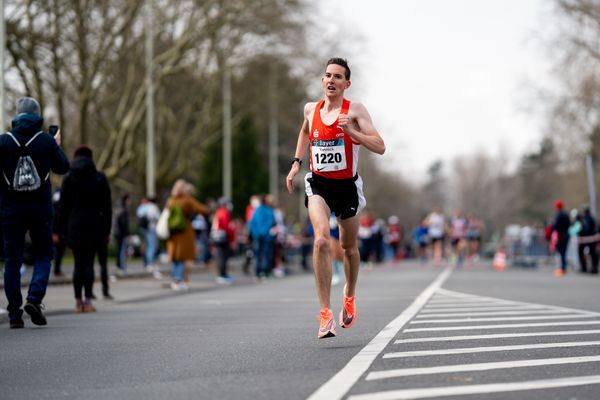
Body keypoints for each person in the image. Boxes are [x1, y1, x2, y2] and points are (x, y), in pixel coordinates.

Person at [286, 58, 385, 339]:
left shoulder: (354, 110)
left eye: (338, 77)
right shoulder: (311, 109)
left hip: (347, 187)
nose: (331, 81)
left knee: (348, 248)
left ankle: (349, 295)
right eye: (327, 76)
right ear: (322, 80)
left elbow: (380, 146)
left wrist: (351, 132)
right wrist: (296, 162)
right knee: (320, 239)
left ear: (346, 84)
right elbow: (306, 130)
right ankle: (325, 313)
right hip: (319, 184)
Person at [1, 97, 69, 328]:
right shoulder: (45, 141)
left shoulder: (3, 142)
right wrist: (55, 144)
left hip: (11, 211)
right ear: (37, 115)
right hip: (40, 210)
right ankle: (34, 297)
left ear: (17, 116)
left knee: (12, 261)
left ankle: (14, 315)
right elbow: (63, 167)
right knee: (43, 254)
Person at [58, 145, 112, 312]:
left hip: (74, 225)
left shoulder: (68, 178)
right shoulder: (99, 177)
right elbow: (107, 206)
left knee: (77, 264)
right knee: (89, 264)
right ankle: (88, 301)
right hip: (95, 225)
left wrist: (60, 229)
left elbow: (62, 207)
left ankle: (77, 302)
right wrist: (107, 230)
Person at [166, 179, 209, 290]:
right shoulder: (186, 200)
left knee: (174, 256)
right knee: (182, 256)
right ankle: (178, 280)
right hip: (183, 232)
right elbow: (202, 209)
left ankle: (174, 279)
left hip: (172, 233)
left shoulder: (171, 200)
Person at [249, 194, 276, 279]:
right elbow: (270, 222)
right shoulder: (269, 210)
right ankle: (264, 272)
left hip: (257, 236)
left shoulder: (257, 210)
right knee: (266, 254)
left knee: (258, 254)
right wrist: (263, 232)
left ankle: (258, 272)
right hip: (266, 236)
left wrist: (255, 233)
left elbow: (252, 223)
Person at [211, 196, 236, 284]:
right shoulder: (224, 212)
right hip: (222, 238)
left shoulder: (219, 212)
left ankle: (223, 274)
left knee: (222, 256)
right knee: (223, 257)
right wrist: (232, 239)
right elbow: (227, 227)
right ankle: (222, 275)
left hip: (218, 237)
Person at [136, 197, 162, 278]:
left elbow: (139, 215)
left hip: (144, 229)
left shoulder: (144, 207)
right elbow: (158, 217)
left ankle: (147, 263)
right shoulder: (154, 207)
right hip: (151, 228)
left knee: (147, 246)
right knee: (152, 246)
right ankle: (150, 263)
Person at [551, 199, 570, 277]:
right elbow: (569, 224)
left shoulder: (558, 215)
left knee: (560, 252)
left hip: (560, 235)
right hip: (566, 234)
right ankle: (564, 267)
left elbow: (555, 226)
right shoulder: (566, 214)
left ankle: (561, 268)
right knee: (564, 252)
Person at [578, 206, 598, 274]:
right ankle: (592, 268)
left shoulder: (587, 219)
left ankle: (586, 268)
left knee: (589, 254)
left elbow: (587, 229)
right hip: (590, 239)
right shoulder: (591, 218)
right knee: (592, 254)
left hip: (588, 239)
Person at [114, 194, 130, 275]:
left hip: (117, 232)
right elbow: (124, 223)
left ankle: (119, 266)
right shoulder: (123, 209)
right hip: (121, 233)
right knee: (122, 251)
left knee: (119, 250)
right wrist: (127, 233)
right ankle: (121, 267)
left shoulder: (117, 208)